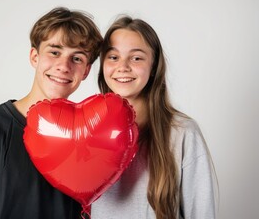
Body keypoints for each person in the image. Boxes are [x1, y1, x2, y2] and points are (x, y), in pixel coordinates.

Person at [0, 7, 102, 219]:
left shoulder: (90, 139)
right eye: (54, 52)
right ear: (34, 56)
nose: (64, 66)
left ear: (86, 70)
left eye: (77, 58)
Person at [91, 16, 218, 219]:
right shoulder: (86, 129)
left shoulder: (182, 133)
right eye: (113, 57)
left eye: (136, 57)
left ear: (153, 66)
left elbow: (202, 213)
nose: (123, 66)